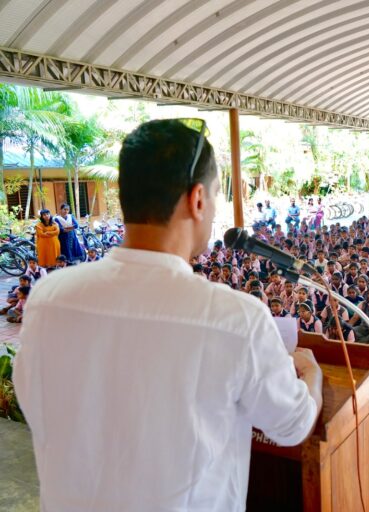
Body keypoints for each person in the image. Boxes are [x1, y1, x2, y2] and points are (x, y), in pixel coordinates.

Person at [14, 119, 323, 512]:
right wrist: (310, 373)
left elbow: (37, 403)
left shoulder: (48, 299)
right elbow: (292, 424)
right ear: (197, 199)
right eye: (216, 195)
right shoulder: (235, 318)